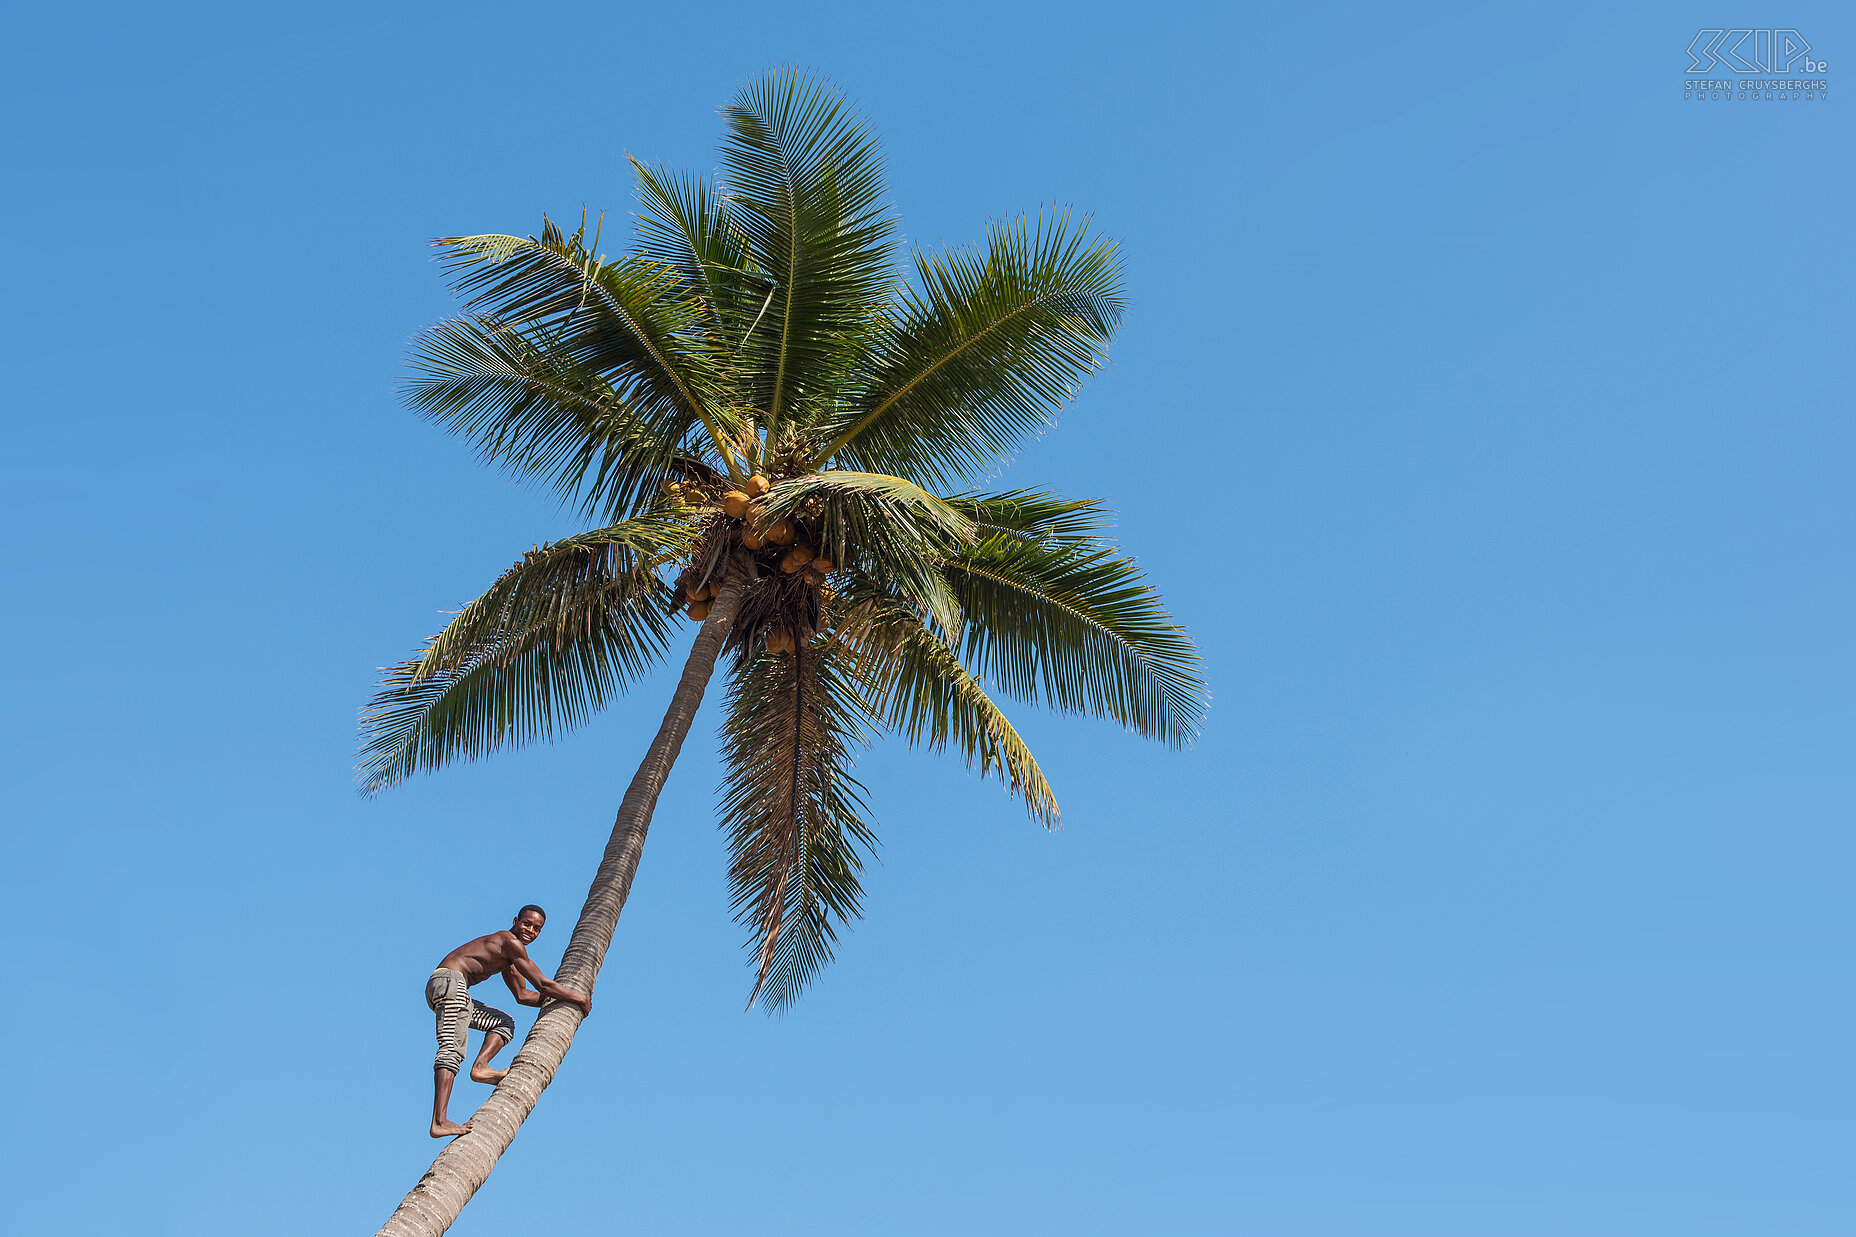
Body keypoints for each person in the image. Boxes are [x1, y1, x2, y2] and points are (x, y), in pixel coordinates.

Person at [424, 904, 593, 1138]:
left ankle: (480, 1067)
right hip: (450, 982)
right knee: (451, 1049)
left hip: (451, 989)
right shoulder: (508, 942)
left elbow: (523, 996)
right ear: (515, 920)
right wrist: (579, 997)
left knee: (502, 1023)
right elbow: (542, 984)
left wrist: (564, 1002)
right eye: (526, 924)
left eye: (536, 929)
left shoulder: (508, 958)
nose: (530, 931)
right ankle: (439, 1121)